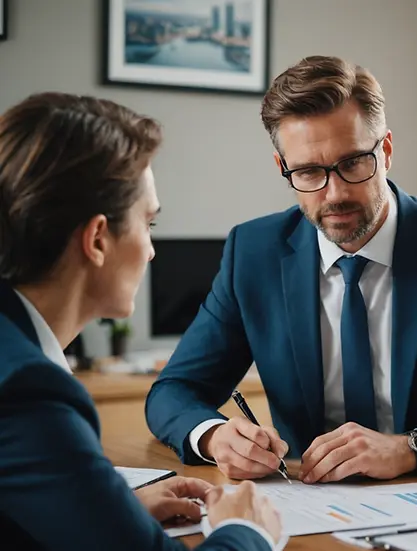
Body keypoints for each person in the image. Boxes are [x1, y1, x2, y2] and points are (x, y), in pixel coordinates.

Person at [145, 55, 417, 484]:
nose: (335, 194)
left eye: (352, 163)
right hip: (304, 504)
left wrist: (411, 448)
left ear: (385, 151)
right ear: (284, 169)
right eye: (309, 172)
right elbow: (174, 392)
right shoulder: (253, 253)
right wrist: (216, 437)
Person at [0, 92, 283, 550]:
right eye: (148, 224)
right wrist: (246, 530)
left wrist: (110, 510)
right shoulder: (28, 391)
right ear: (96, 239)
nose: (151, 251)